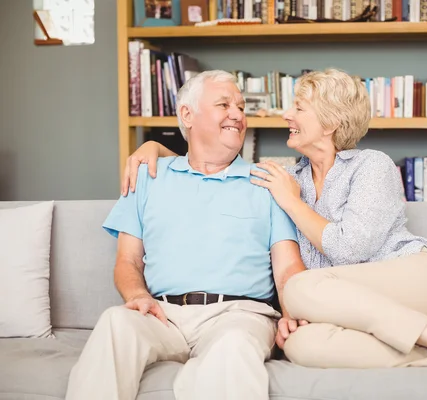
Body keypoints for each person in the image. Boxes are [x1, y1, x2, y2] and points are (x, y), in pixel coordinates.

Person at [123, 68, 427, 375]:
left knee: (302, 287)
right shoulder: (287, 177)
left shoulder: (371, 166)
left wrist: (292, 202)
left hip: (419, 284)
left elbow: (349, 250)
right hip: (358, 310)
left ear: (330, 121)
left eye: (300, 108)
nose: (287, 115)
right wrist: (157, 148)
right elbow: (209, 158)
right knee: (301, 347)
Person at [65, 70, 307, 400]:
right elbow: (127, 261)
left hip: (239, 315)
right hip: (163, 315)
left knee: (233, 348)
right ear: (187, 114)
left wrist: (292, 314)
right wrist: (137, 295)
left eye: (240, 106)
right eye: (224, 104)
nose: (237, 114)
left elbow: (287, 268)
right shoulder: (147, 176)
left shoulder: (267, 182)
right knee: (115, 323)